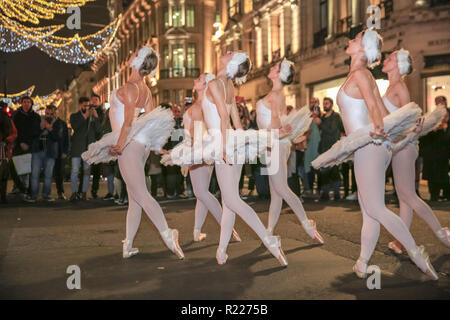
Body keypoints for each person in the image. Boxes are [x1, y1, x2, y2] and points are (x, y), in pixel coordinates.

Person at [314, 30, 438, 280]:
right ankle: (362, 262)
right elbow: (380, 107)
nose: (349, 41)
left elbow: (373, 105)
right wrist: (393, 130)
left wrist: (381, 128)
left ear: (362, 48)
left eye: (355, 39)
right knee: (369, 209)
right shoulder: (362, 74)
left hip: (369, 146)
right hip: (369, 147)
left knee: (375, 208)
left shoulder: (360, 73)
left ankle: (416, 253)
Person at [83, 46, 183, 260]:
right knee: (134, 199)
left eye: (134, 52)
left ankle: (168, 234)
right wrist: (153, 146)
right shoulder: (144, 89)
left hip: (128, 146)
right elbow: (152, 119)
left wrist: (119, 145)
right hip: (140, 146)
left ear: (137, 61)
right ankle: (128, 244)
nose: (131, 53)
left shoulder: (130, 87)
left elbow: (128, 123)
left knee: (142, 195)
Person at [202, 51, 288, 266]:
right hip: (233, 141)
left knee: (231, 200)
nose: (226, 51)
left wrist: (222, 147)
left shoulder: (215, 83)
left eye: (231, 53)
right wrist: (243, 142)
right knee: (228, 201)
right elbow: (237, 124)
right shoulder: (229, 85)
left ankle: (269, 240)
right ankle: (221, 250)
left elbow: (224, 116)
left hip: (223, 141)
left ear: (231, 62)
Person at [381, 50, 449, 253]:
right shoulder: (391, 87)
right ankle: (401, 242)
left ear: (398, 65)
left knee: (408, 196)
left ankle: (443, 235)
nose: (385, 60)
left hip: (405, 146)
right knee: (405, 197)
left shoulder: (400, 87)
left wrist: (413, 130)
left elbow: (407, 121)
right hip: (400, 146)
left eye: (390, 58)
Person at [162, 73, 241, 242]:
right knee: (201, 194)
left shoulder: (199, 107)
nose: (195, 80)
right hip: (198, 152)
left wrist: (185, 155)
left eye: (199, 79)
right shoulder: (197, 105)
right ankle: (197, 231)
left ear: (205, 85)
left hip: (200, 152)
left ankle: (228, 229)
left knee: (201, 193)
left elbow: (197, 136)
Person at [255, 58, 324, 243]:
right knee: (276, 192)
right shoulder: (276, 93)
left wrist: (271, 135)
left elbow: (276, 123)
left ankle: (307, 223)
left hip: (276, 144)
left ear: (279, 74)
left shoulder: (276, 94)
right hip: (274, 144)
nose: (271, 67)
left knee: (281, 189)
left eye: (275, 66)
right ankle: (269, 231)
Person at [27, 105, 62, 202]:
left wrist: (50, 129)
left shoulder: (58, 123)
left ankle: (46, 195)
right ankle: (34, 195)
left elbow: (58, 137)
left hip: (50, 152)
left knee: (48, 174)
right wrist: (41, 128)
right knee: (35, 174)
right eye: (47, 113)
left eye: (51, 114)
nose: (49, 116)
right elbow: (33, 133)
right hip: (37, 151)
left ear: (55, 113)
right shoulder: (38, 120)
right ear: (44, 113)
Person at [69, 97, 101, 201]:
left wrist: (96, 118)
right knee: (74, 171)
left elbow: (98, 131)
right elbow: (75, 127)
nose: (87, 108)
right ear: (80, 106)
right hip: (77, 149)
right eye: (85, 106)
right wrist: (85, 116)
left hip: (88, 149)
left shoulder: (92, 117)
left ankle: (83, 193)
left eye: (88, 105)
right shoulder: (74, 116)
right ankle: (74, 193)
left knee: (87, 172)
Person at [316, 97, 345, 201]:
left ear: (331, 105)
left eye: (327, 103)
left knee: (334, 171)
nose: (325, 105)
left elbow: (332, 130)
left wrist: (321, 124)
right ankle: (325, 194)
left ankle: (337, 194)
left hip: (333, 147)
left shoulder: (336, 116)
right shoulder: (323, 117)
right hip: (323, 147)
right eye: (324, 104)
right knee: (324, 172)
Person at [11, 96, 41, 195]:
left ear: (31, 104)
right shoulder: (16, 115)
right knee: (17, 167)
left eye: (28, 102)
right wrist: (20, 142)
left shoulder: (36, 116)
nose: (26, 104)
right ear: (21, 103)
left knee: (26, 168)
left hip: (30, 146)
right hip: (18, 145)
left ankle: (25, 189)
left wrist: (28, 143)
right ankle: (17, 188)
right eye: (24, 102)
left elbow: (36, 131)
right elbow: (14, 130)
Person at [303, 97, 321, 195]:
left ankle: (319, 189)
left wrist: (317, 116)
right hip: (308, 145)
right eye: (311, 102)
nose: (313, 104)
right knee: (308, 167)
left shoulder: (321, 115)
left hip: (318, 144)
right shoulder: (306, 115)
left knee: (318, 166)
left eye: (315, 102)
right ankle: (309, 188)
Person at [89, 94, 105, 199]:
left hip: (97, 143)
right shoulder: (86, 110)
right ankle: (81, 191)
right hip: (87, 142)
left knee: (96, 169)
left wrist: (96, 117)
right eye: (93, 100)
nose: (94, 101)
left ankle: (94, 189)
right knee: (84, 168)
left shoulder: (102, 113)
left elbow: (101, 128)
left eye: (96, 100)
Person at [0, 103, 17, 203]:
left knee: (3, 174)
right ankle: (2, 197)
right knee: (4, 175)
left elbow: (14, 134)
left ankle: (2, 196)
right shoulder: (8, 120)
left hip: (5, 148)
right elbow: (14, 134)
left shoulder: (7, 120)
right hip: (5, 149)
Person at [53, 108, 69, 200]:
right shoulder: (46, 123)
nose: (53, 115)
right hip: (49, 152)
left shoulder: (62, 124)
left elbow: (66, 139)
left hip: (59, 151)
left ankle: (60, 192)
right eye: (51, 113)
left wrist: (65, 151)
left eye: (55, 113)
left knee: (59, 173)